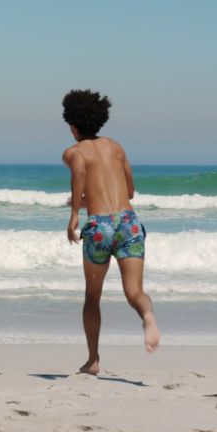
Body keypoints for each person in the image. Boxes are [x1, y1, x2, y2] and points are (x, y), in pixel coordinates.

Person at [61, 89, 159, 375]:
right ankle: (148, 316)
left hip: (100, 227)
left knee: (93, 298)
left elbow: (79, 172)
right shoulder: (116, 147)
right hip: (128, 222)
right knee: (135, 292)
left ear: (73, 125)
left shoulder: (73, 152)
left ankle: (93, 360)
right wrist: (84, 199)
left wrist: (74, 213)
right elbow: (129, 191)